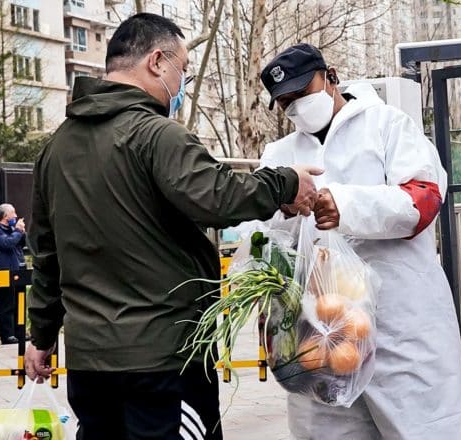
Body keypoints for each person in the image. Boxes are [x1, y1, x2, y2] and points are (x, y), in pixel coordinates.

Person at [23, 14, 321, 440]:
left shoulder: (55, 148)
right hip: (161, 362)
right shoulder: (156, 135)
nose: (182, 81)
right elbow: (217, 197)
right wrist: (287, 181)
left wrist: (42, 336)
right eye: (183, 69)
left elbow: (46, 256)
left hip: (90, 368)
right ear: (157, 61)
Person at [258, 43, 461, 439]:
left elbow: (423, 198)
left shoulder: (388, 125)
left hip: (399, 321)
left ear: (331, 76)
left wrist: (346, 206)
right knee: (328, 429)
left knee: (424, 427)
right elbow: (265, 237)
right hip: (319, 334)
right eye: (285, 102)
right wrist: (284, 210)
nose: (296, 107)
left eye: (301, 93)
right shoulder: (279, 154)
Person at [0, 203, 26, 345]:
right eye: (13, 213)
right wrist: (17, 232)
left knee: (19, 303)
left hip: (17, 271)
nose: (15, 216)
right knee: (7, 304)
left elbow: (22, 244)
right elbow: (7, 244)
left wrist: (22, 232)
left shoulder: (12, 229)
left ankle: (19, 333)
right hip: (4, 272)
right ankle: (7, 335)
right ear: (5, 216)